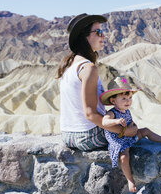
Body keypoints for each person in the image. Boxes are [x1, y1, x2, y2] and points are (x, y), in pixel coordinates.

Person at [56, 13, 138, 151]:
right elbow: (90, 114)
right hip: (87, 136)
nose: (103, 36)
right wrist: (124, 131)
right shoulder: (88, 68)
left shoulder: (69, 66)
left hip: (67, 135)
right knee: (135, 131)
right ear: (84, 37)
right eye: (98, 32)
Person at [100, 76, 161, 192]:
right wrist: (115, 121)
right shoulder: (112, 113)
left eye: (130, 98)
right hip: (120, 141)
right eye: (124, 98)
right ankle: (130, 180)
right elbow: (104, 122)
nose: (128, 101)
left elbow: (130, 122)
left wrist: (134, 126)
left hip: (130, 136)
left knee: (145, 130)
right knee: (124, 157)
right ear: (113, 101)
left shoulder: (126, 111)